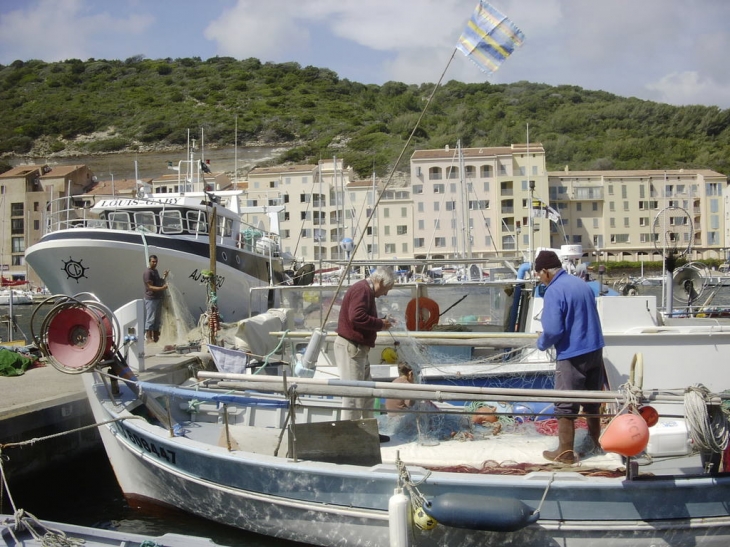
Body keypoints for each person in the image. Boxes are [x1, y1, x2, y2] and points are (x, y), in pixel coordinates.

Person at [535, 250, 605, 463]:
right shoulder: (581, 284)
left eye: (539, 274)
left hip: (572, 354)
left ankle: (565, 453)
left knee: (565, 404)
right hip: (595, 349)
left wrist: (541, 343)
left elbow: (554, 329)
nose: (539, 279)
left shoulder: (554, 291)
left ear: (546, 272)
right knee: (592, 401)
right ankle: (595, 444)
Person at [334, 267, 395, 436]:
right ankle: (349, 437)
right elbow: (357, 317)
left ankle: (369, 434)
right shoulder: (362, 290)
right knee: (353, 396)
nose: (385, 294)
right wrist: (381, 324)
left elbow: (360, 316)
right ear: (380, 282)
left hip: (358, 349)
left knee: (368, 394)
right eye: (386, 289)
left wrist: (381, 321)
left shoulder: (364, 290)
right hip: (351, 348)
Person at [143, 255, 169, 343]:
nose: (155, 263)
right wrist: (162, 289)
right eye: (153, 261)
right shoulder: (148, 272)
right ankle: (148, 337)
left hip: (158, 298)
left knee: (157, 318)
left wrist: (164, 276)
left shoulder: (155, 271)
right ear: (149, 261)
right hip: (151, 298)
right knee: (150, 318)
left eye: (156, 262)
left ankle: (156, 336)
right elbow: (150, 287)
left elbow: (159, 282)